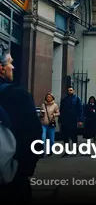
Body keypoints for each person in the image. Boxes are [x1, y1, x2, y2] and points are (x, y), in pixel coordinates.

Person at [0, 45, 42, 200]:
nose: (13, 67)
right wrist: (25, 169)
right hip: (11, 176)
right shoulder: (19, 96)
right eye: (10, 63)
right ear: (1, 68)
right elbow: (34, 134)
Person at [58, 86, 83, 157]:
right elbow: (61, 110)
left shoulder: (77, 99)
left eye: (71, 90)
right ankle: (67, 151)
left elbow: (80, 110)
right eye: (68, 90)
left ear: (73, 91)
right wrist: (60, 120)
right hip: (65, 120)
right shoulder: (64, 99)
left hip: (73, 120)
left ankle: (75, 150)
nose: (69, 91)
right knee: (65, 137)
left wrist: (80, 120)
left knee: (73, 136)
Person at [39, 92, 60, 157]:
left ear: (52, 98)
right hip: (43, 123)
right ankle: (41, 151)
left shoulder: (55, 105)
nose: (48, 98)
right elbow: (40, 113)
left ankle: (50, 150)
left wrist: (54, 114)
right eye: (47, 97)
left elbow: (58, 113)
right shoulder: (43, 105)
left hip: (51, 123)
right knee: (43, 137)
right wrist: (41, 114)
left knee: (51, 139)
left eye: (50, 97)